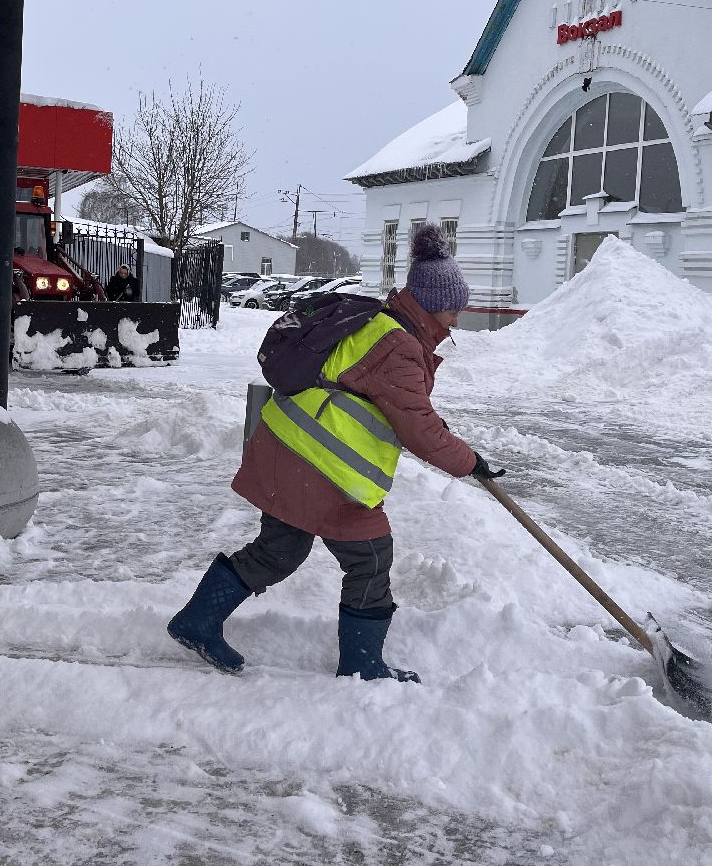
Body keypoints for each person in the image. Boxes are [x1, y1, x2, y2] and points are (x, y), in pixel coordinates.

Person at [167, 222, 506, 683]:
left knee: (279, 550)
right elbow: (418, 428)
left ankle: (196, 622)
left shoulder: (383, 326)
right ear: (430, 306)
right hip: (322, 467)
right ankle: (362, 666)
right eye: (452, 310)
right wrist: (470, 462)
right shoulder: (401, 347)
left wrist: (440, 431)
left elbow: (393, 406)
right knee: (369, 559)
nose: (455, 321)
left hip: (291, 450)